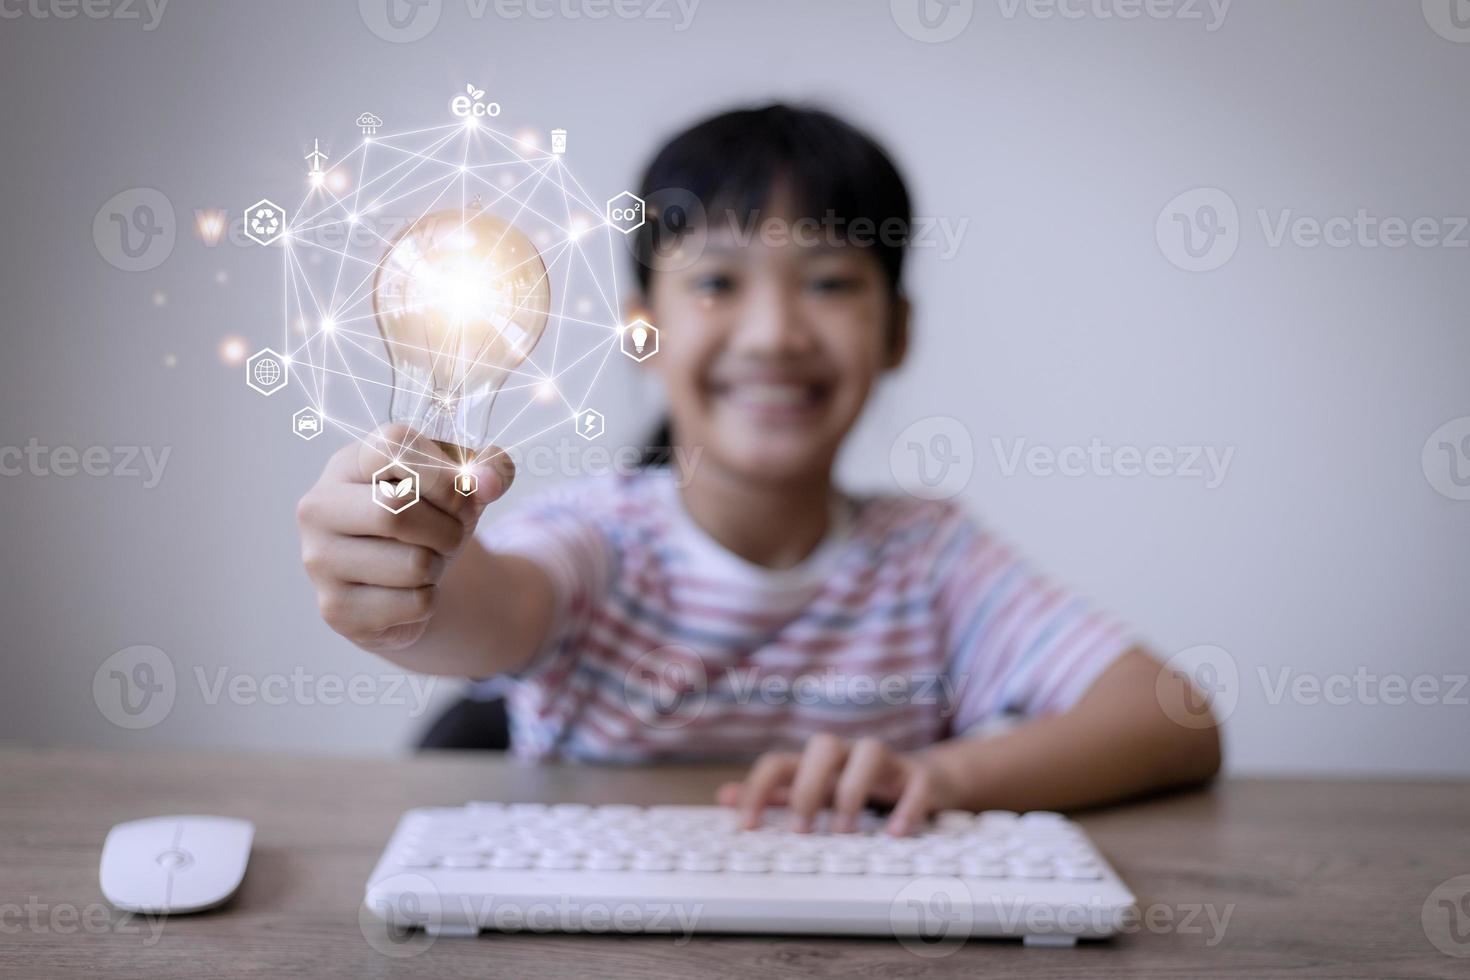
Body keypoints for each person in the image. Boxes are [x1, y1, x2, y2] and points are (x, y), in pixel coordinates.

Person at [297, 104, 1220, 836]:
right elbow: (483, 614)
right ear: (642, 331)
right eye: (716, 282)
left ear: (898, 333)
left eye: (830, 282)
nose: (775, 334)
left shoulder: (931, 560)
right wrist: (406, 572)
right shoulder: (600, 540)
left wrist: (938, 777)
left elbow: (1174, 720)